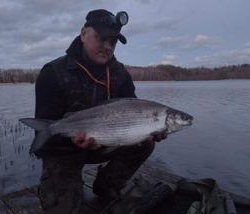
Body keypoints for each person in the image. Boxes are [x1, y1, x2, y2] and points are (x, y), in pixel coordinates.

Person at [34, 9, 167, 213]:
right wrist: (71, 139)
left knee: (145, 142)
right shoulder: (53, 73)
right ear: (83, 33)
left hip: (107, 141)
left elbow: (136, 112)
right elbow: (44, 134)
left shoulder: (121, 74)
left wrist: (152, 127)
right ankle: (59, 187)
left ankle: (106, 185)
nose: (107, 46)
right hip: (64, 150)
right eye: (101, 38)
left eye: (112, 42)